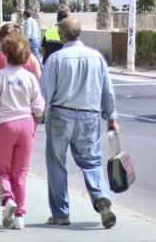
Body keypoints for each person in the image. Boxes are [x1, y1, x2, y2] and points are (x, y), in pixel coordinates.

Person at [40, 18, 118, 229]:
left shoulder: (56, 59)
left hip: (60, 114)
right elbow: (107, 91)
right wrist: (111, 117)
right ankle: (101, 197)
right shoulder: (96, 58)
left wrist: (39, 114)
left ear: (61, 36)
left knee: (56, 163)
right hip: (89, 116)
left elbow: (45, 93)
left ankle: (61, 213)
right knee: (92, 161)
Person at [0, 33, 45, 230]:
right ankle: (20, 215)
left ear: (6, 53)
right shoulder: (29, 77)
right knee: (20, 173)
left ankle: (8, 199)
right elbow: (39, 106)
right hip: (26, 125)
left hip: (3, 125)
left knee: (0, 169)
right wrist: (33, 122)